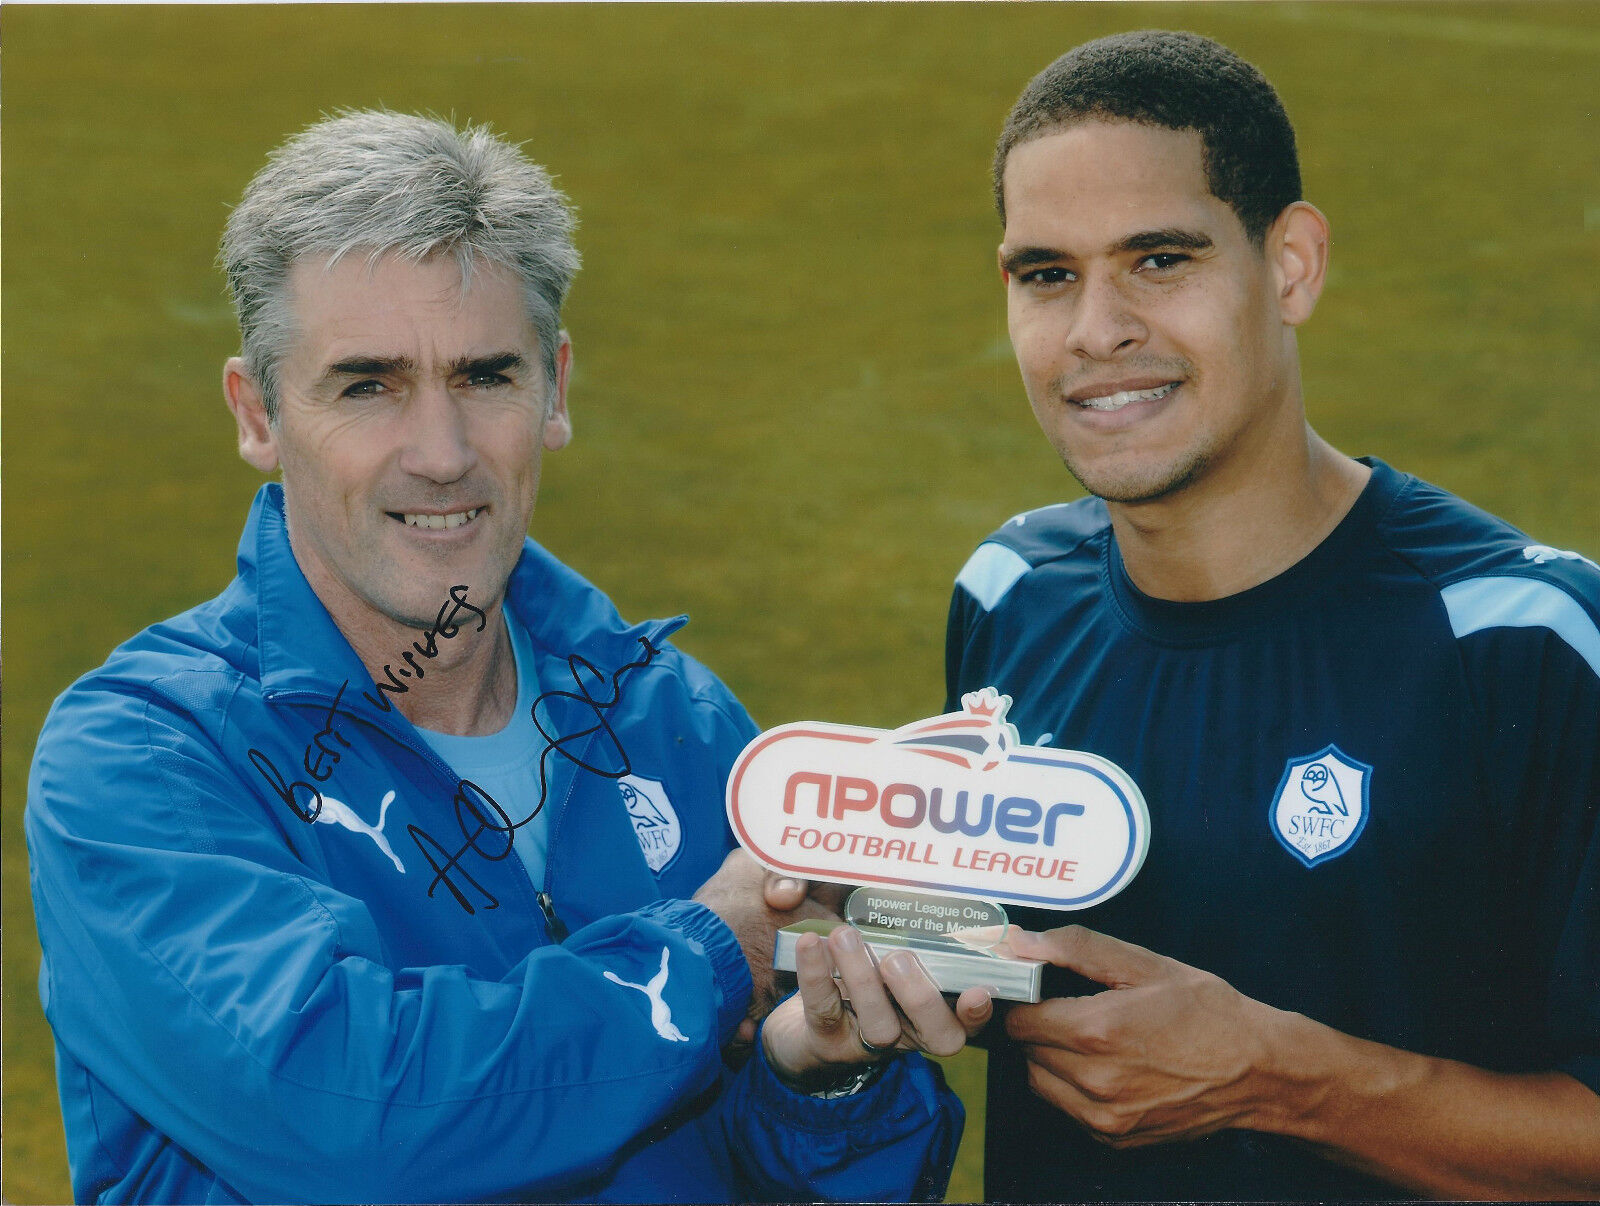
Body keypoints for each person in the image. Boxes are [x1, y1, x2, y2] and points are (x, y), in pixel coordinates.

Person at [26, 110, 991, 1205]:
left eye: (485, 377)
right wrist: (712, 954)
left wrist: (818, 1076)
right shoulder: (144, 757)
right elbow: (350, 1114)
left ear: (557, 390)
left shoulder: (673, 719)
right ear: (257, 412)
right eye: (366, 385)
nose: (441, 454)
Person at [945, 30, 1600, 1200]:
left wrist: (1276, 1078)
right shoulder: (1005, 596)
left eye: (1158, 260)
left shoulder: (1522, 642)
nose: (1094, 329)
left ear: (1290, 266)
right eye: (1045, 273)